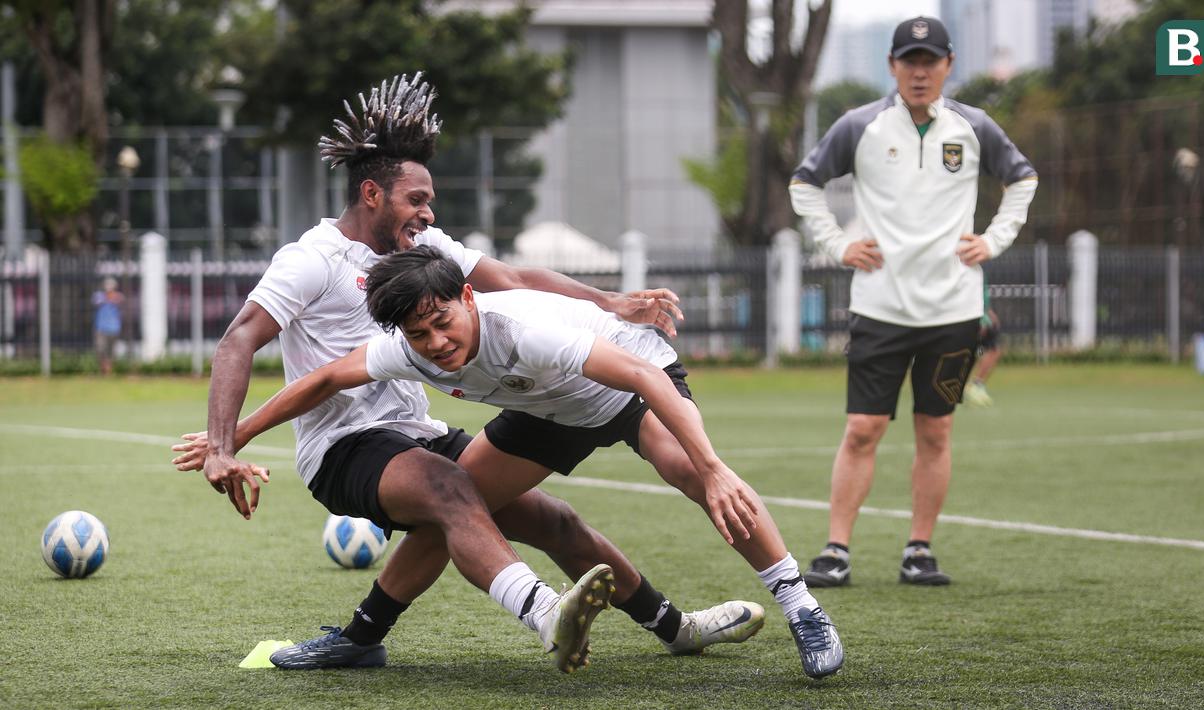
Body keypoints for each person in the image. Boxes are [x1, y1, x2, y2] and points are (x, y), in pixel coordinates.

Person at [176, 73, 759, 673]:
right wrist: (224, 445)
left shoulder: (424, 252)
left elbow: (516, 280)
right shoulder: (310, 260)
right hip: (342, 449)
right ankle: (545, 615)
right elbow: (240, 337)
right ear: (372, 193)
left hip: (416, 434)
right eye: (417, 200)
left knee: (555, 520)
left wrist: (606, 301)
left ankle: (674, 628)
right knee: (450, 489)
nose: (429, 211)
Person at [203, 245, 846, 680]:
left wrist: (710, 466)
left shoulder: (529, 333)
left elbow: (642, 376)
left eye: (443, 321)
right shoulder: (412, 349)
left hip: (622, 387)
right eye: (419, 334)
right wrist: (230, 441)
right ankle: (363, 634)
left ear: (468, 297)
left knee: (696, 478)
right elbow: (325, 379)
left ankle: (802, 609)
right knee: (456, 506)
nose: (437, 343)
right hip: (545, 412)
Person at [789, 16, 1037, 587]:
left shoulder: (974, 126)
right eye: (908, 60)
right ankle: (835, 551)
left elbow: (1023, 179)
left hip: (954, 313)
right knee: (862, 428)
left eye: (930, 61)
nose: (919, 72)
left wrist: (993, 239)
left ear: (949, 64)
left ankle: (919, 550)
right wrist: (839, 244)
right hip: (880, 309)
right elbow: (804, 184)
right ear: (892, 67)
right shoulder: (860, 125)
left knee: (936, 430)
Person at [965, 285, 1000, 407]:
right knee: (990, 351)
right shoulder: (969, 269)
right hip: (977, 318)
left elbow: (983, 296)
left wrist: (989, 312)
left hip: (982, 317)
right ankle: (974, 385)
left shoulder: (980, 272)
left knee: (990, 351)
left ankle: (976, 385)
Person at [92, 277, 123, 375]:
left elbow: (120, 300)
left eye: (111, 285)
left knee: (111, 351)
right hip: (101, 328)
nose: (109, 287)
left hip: (114, 328)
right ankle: (103, 368)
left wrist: (112, 298)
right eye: (107, 285)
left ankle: (108, 371)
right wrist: (108, 298)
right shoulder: (99, 296)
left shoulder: (118, 296)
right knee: (100, 348)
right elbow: (96, 301)